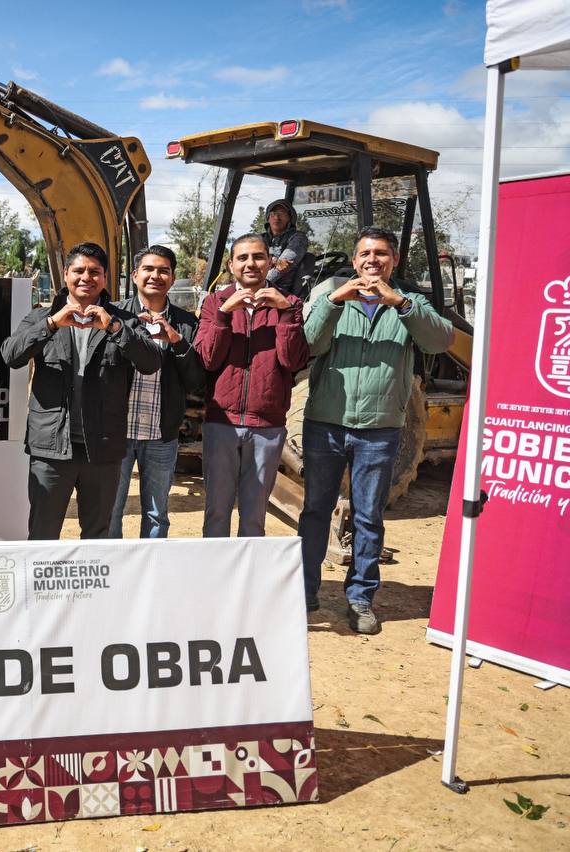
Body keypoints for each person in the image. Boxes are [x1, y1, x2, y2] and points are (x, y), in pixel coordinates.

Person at [300, 227, 453, 633]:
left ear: (394, 260)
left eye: (381, 253)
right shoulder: (332, 300)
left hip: (379, 429)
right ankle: (305, 590)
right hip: (325, 425)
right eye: (365, 253)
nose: (372, 260)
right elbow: (309, 344)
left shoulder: (410, 304)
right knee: (315, 510)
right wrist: (334, 301)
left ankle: (361, 598)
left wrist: (400, 303)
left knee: (368, 517)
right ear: (354, 261)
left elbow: (440, 341)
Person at [2, 241, 162, 540]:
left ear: (105, 278)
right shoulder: (41, 317)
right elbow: (11, 356)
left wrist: (115, 329)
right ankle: (40, 588)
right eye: (79, 270)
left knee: (98, 536)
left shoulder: (123, 320)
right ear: (65, 274)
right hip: (51, 448)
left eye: (95, 272)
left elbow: (151, 362)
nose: (86, 277)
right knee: (43, 533)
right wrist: (51, 324)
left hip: (102, 448)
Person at [194, 233, 310, 538]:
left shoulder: (290, 304)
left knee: (254, 515)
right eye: (242, 258)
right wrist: (223, 314)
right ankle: (216, 581)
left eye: (258, 257)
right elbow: (207, 359)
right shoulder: (214, 303)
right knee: (217, 512)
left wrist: (285, 313)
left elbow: (293, 361)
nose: (251, 264)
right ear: (231, 265)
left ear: (270, 262)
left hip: (267, 426)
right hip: (222, 423)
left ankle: (248, 583)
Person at [109, 245, 204, 538]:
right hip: (115, 432)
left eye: (163, 270)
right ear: (136, 275)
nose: (155, 276)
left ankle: (151, 574)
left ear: (173, 279)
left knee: (156, 513)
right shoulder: (113, 315)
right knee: (110, 509)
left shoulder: (187, 323)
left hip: (161, 435)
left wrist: (176, 340)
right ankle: (112, 575)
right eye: (148, 269)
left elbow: (196, 381)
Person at [262, 199, 311, 300]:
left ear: (290, 217)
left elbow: (281, 268)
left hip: (282, 294)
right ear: (268, 218)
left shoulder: (298, 238)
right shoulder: (259, 239)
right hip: (259, 289)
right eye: (273, 213)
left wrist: (256, 286)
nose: (276, 217)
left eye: (281, 213)